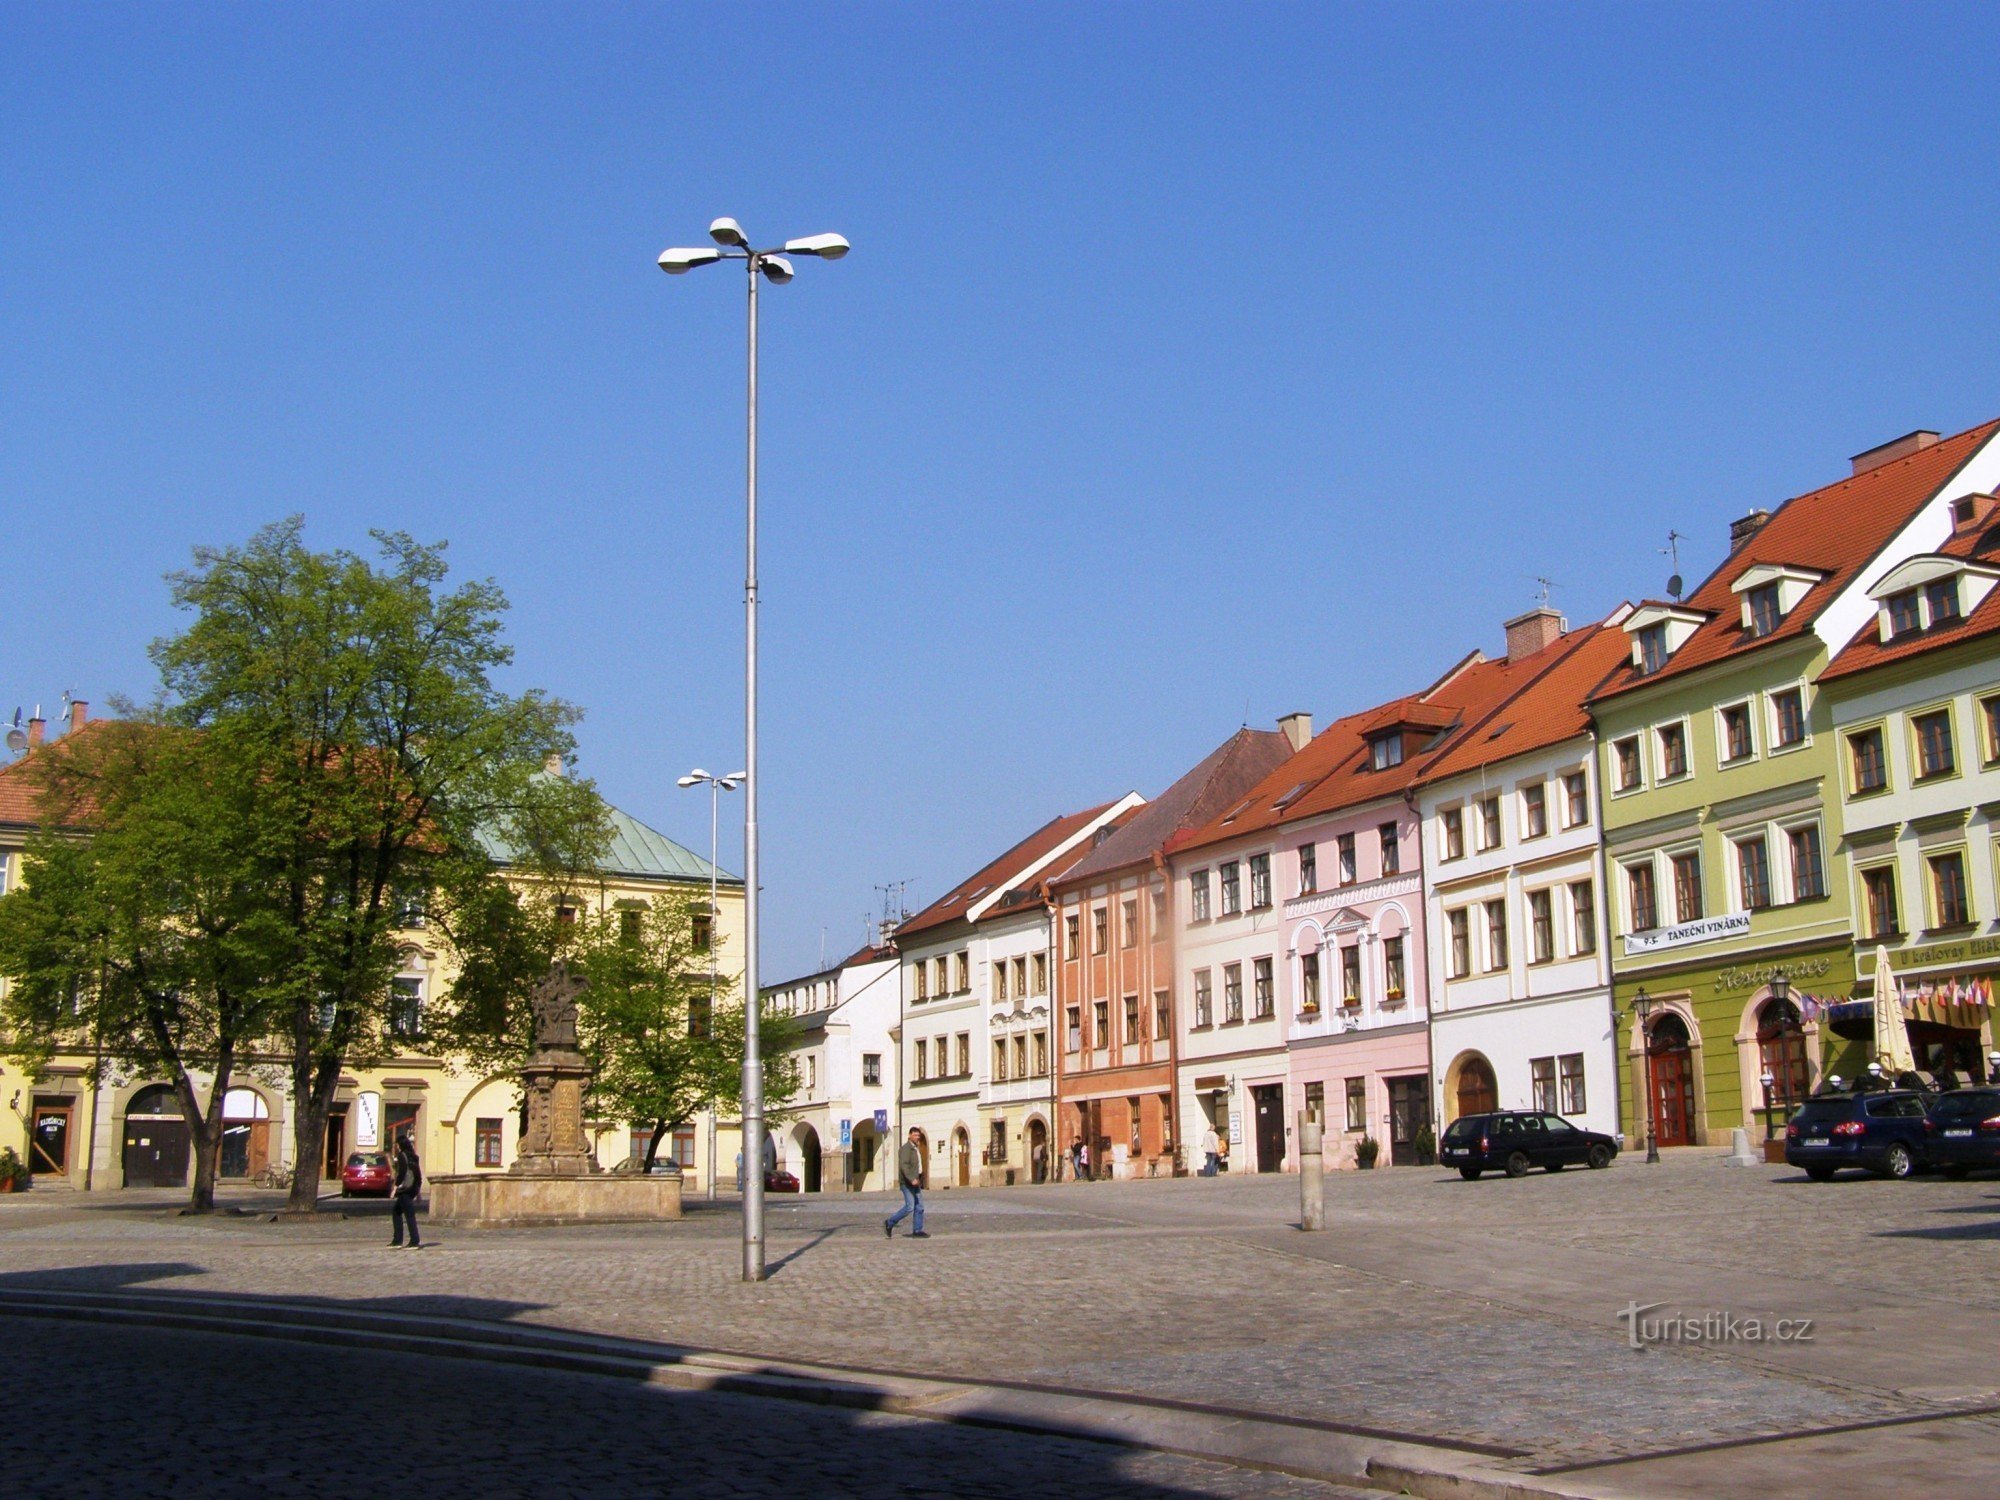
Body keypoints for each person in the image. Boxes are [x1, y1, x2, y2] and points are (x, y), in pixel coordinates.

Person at [884, 1127, 928, 1238]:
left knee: (920, 1206)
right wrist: (911, 1178)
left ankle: (917, 1230)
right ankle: (890, 1222)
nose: (917, 1137)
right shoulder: (906, 1149)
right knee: (910, 1206)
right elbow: (904, 1166)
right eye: (915, 1135)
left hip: (915, 1182)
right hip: (907, 1183)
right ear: (909, 1135)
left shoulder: (915, 1148)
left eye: (918, 1135)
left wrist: (919, 1178)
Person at [390, 1132, 423, 1250]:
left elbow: (402, 1172)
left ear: (400, 1145)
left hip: (405, 1188)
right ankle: (397, 1240)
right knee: (397, 1211)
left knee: (409, 1214)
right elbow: (418, 1174)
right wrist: (418, 1191)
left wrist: (395, 1188)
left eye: (397, 1145)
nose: (397, 1147)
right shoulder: (414, 1156)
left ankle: (414, 1241)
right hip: (413, 1187)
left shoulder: (402, 1155)